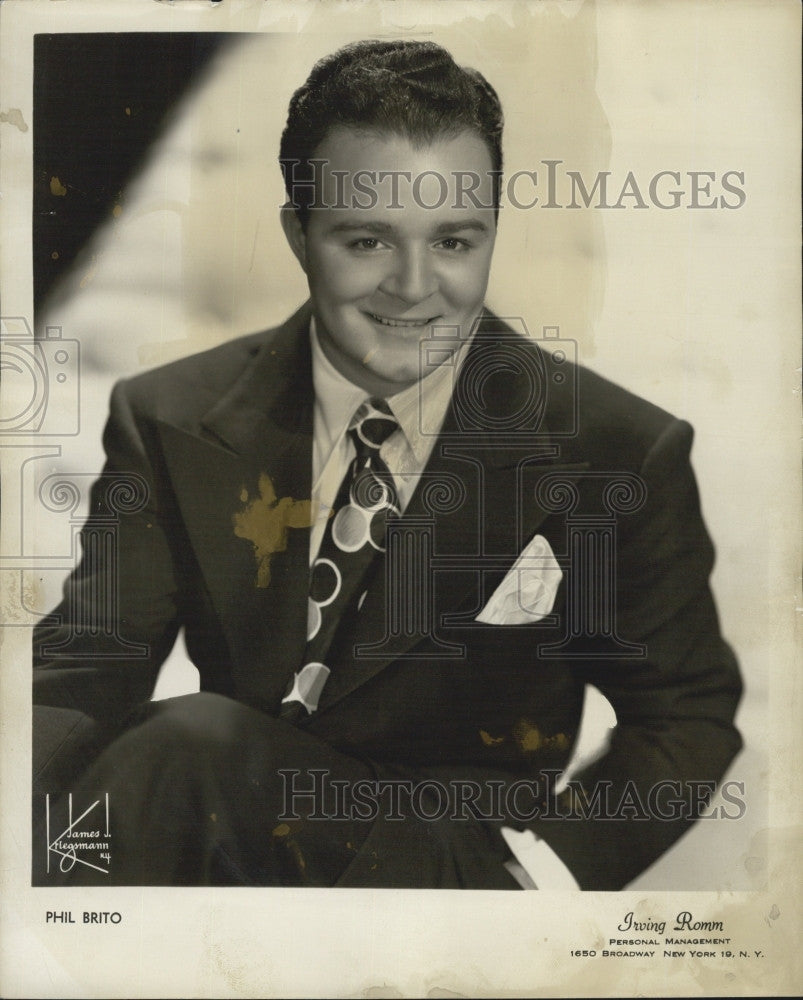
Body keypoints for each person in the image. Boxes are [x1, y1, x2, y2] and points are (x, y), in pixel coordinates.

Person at [32, 39, 742, 890]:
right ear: (299, 232)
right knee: (163, 763)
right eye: (366, 241)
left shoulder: (613, 447)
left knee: (186, 748)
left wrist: (544, 877)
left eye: (452, 241)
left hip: (447, 873)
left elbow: (687, 718)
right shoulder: (168, 415)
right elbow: (84, 675)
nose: (414, 288)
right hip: (218, 850)